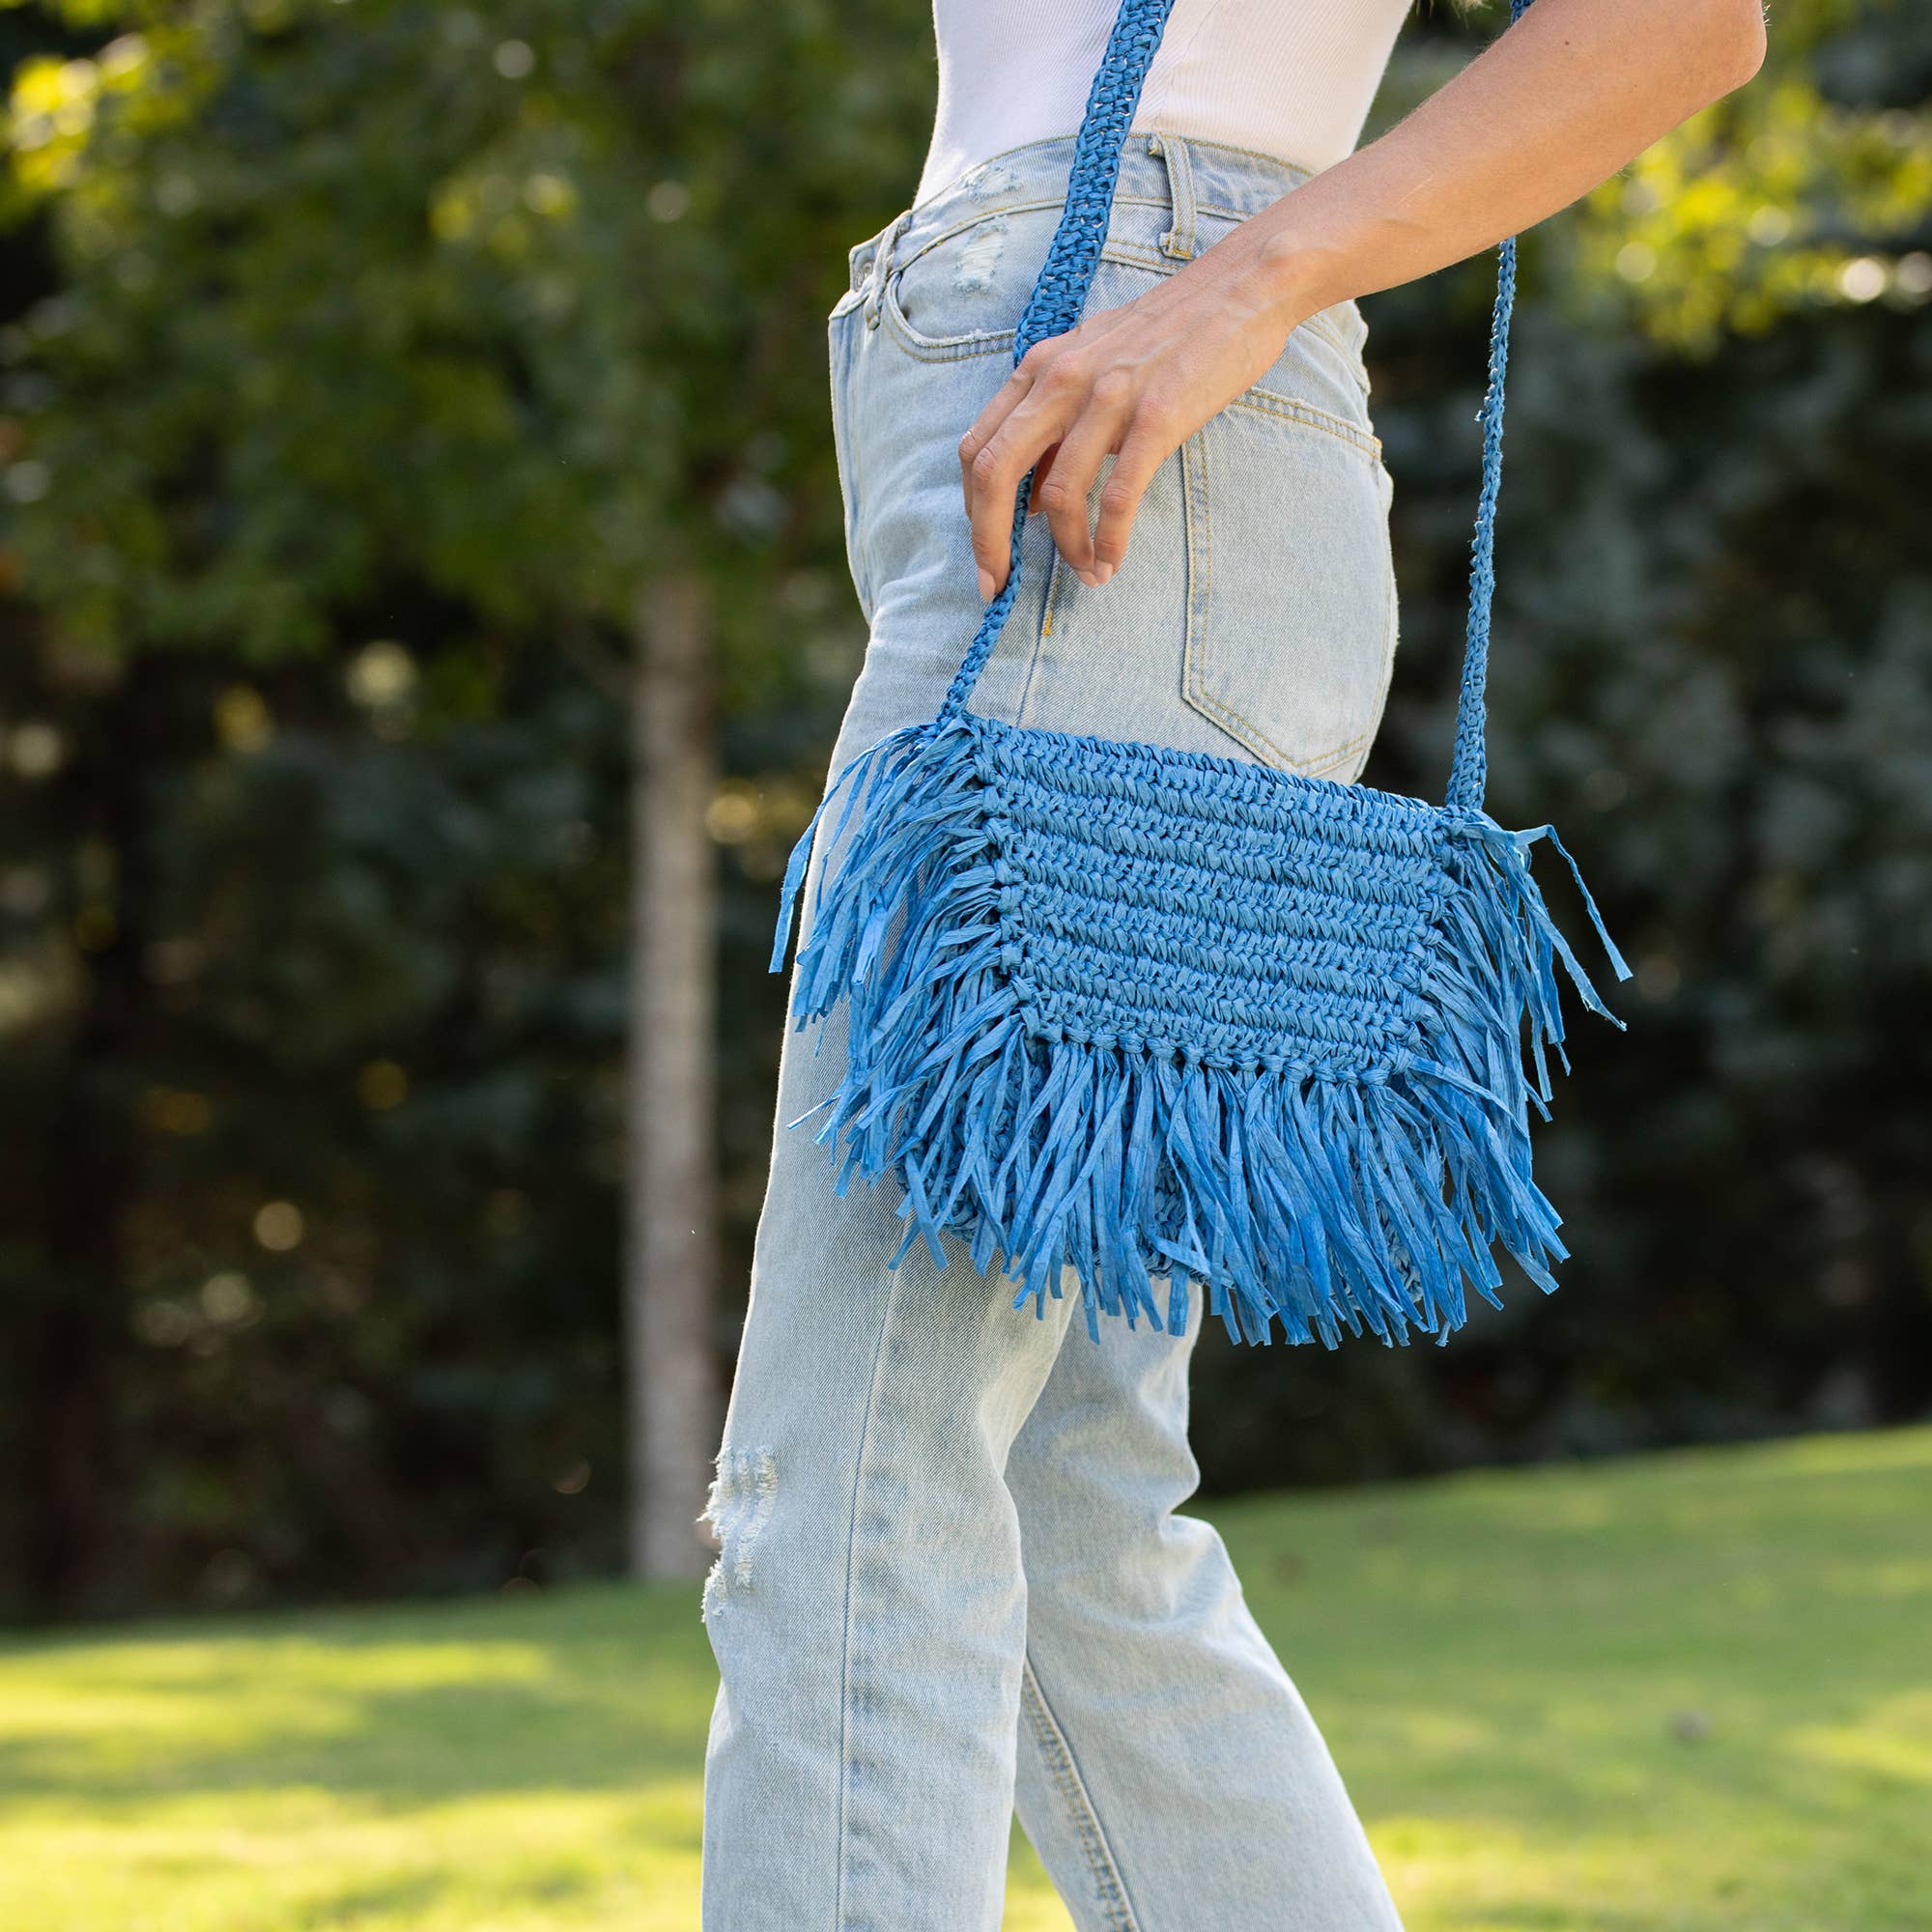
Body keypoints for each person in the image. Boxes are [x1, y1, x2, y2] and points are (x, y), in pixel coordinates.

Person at [699, 2, 1765, 1926]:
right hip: (1092, 417)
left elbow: (1682, 20)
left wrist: (1241, 282)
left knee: (852, 1477)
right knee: (1058, 1502)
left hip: (1131, 407)